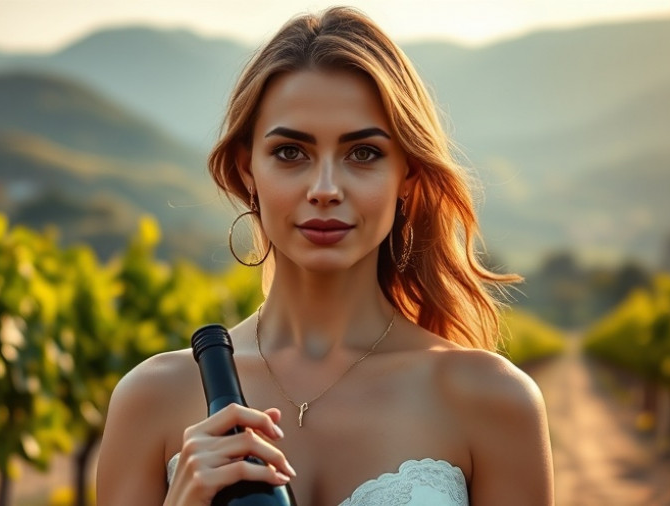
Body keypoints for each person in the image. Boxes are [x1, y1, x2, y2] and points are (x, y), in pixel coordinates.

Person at [97, 6, 554, 505]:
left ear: (408, 175)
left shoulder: (493, 401)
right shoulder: (151, 398)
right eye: (291, 152)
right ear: (246, 169)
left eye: (364, 153)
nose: (325, 189)